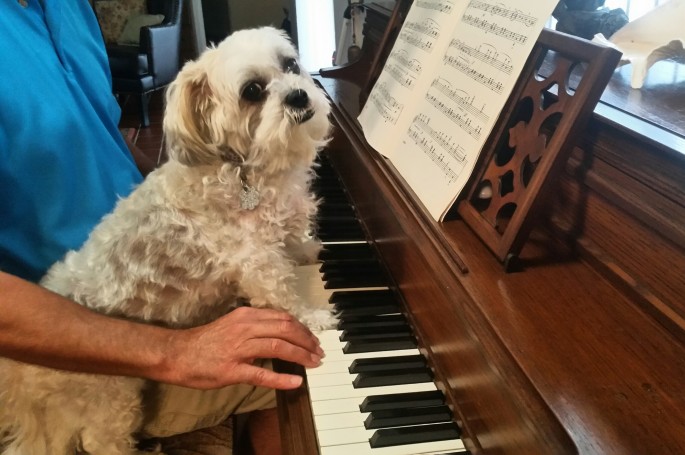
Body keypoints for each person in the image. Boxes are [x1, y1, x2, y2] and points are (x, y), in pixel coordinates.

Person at [0, 1, 322, 453]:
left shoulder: (69, 7)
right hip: (61, 342)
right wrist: (173, 353)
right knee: (308, 376)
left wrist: (179, 185)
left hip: (149, 271)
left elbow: (103, 132)